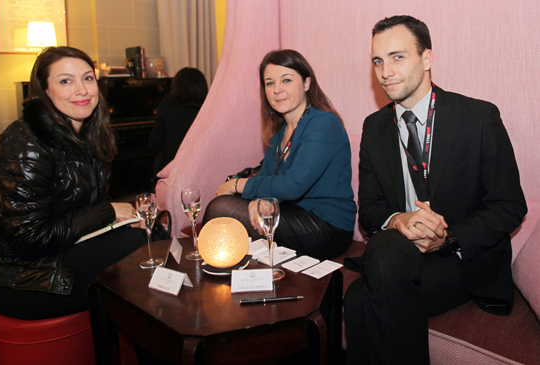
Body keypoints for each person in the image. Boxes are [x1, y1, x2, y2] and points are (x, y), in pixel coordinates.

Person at [343, 15, 527, 364]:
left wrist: (449, 237)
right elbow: (368, 207)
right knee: (384, 255)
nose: (385, 72)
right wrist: (398, 220)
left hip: (461, 258)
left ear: (427, 59)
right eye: (378, 61)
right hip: (399, 253)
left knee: (359, 298)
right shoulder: (374, 126)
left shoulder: (478, 117)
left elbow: (509, 205)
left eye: (398, 57)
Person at [0, 46, 147, 320]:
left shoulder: (89, 135)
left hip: (62, 250)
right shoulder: (24, 142)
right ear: (44, 91)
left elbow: (81, 206)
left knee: (150, 237)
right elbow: (30, 241)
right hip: (19, 276)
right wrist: (109, 212)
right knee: (139, 258)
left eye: (88, 78)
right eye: (65, 81)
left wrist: (123, 219)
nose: (82, 90)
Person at [203, 49, 357, 260]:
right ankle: (229, 279)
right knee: (228, 216)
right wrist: (256, 200)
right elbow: (268, 180)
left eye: (286, 80)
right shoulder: (279, 132)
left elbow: (292, 186)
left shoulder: (324, 123)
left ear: (306, 84)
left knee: (221, 208)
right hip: (289, 213)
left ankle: (210, 274)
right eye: (269, 83)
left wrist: (236, 185)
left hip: (328, 226)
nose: (277, 90)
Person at [148, 67, 208, 187]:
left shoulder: (166, 106)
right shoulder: (208, 107)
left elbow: (154, 145)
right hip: (201, 167)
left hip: (173, 169)